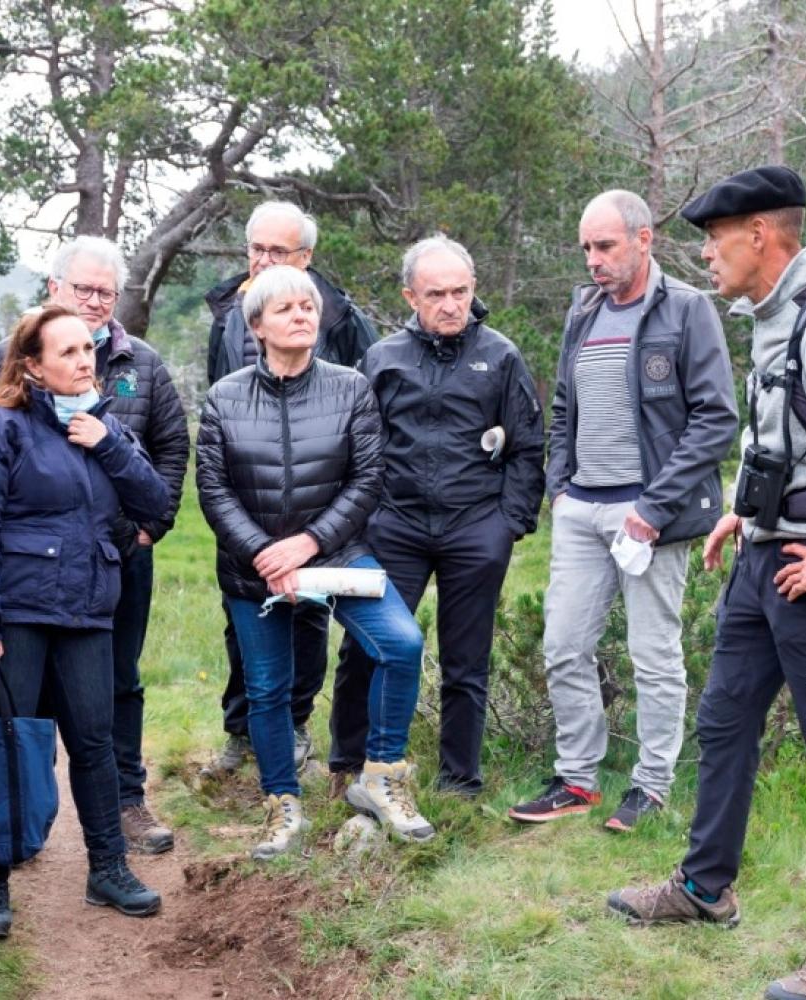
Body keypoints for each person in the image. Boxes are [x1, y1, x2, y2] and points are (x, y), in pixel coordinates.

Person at [605, 166, 806, 1000]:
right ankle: (706, 889)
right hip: (762, 557)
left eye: (714, 240)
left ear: (760, 235)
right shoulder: (772, 320)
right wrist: (745, 513)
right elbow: (783, 433)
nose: (706, 256)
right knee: (725, 721)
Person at [508, 190, 737, 831]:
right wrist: (562, 487)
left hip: (649, 516)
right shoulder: (583, 313)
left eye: (605, 246)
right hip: (583, 509)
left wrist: (656, 505)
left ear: (643, 241)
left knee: (653, 655)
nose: (593, 260)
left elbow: (717, 419)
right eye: (586, 247)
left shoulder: (688, 312)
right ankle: (577, 779)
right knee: (563, 647)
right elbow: (562, 409)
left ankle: (652, 786)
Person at [195, 265, 431, 858]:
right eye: (286, 309)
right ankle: (282, 806)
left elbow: (368, 478)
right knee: (268, 690)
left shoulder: (351, 387)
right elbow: (214, 490)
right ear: (256, 326)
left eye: (308, 306)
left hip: (340, 556)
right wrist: (264, 556)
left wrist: (307, 544)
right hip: (255, 573)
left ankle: (380, 778)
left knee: (401, 644)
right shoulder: (224, 397)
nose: (303, 315)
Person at [0, 236, 189, 856]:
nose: (95, 302)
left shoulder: (139, 363)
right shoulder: (8, 367)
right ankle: (26, 819)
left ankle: (126, 803)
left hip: (116, 557)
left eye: (106, 292)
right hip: (30, 572)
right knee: (23, 701)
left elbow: (171, 447)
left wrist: (151, 526)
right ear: (53, 290)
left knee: (117, 684)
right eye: (82, 289)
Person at [329, 236, 544, 797]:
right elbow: (356, 446)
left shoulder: (501, 356)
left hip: (475, 527)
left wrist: (508, 526)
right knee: (364, 646)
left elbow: (527, 445)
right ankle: (347, 763)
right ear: (411, 296)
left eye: (461, 292)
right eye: (437, 294)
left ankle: (459, 781)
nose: (451, 305)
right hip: (395, 525)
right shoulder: (382, 359)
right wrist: (364, 521)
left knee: (465, 661)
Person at [203, 201, 379, 774]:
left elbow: (365, 424)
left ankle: (295, 726)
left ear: (306, 258)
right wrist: (250, 538)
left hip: (317, 517)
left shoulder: (342, 320)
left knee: (307, 623)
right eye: (255, 248)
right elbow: (218, 405)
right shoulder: (231, 313)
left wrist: (318, 534)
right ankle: (242, 730)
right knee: (244, 625)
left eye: (278, 251)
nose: (262, 260)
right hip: (247, 511)